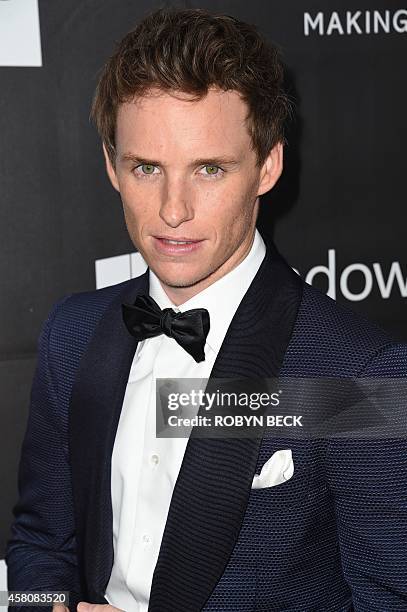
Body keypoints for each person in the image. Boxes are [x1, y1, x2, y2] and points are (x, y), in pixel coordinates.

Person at [5, 6, 407, 612]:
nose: (172, 210)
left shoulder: (352, 370)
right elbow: (41, 538)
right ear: (112, 165)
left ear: (267, 165)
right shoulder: (73, 334)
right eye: (146, 168)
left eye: (209, 169)